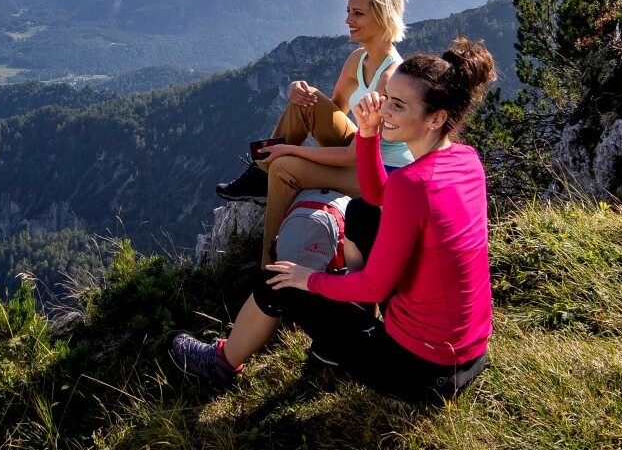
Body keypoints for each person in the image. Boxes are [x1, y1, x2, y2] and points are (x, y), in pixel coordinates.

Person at [173, 38, 497, 405]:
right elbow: (376, 198)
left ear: (436, 118)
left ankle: (220, 364)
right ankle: (339, 338)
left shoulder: (412, 184)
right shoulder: (466, 159)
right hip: (469, 356)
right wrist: (369, 133)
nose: (384, 108)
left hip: (420, 373)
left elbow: (375, 287)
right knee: (361, 213)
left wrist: (307, 279)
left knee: (278, 279)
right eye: (386, 96)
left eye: (398, 105)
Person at [215, 0, 411, 268]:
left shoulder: (389, 77)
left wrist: (289, 151)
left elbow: (351, 155)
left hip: (379, 174)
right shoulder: (358, 60)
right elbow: (330, 112)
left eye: (357, 13)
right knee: (308, 99)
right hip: (361, 150)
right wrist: (298, 92)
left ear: (383, 18)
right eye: (348, 11)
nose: (347, 20)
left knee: (282, 168)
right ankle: (260, 173)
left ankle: (268, 265)